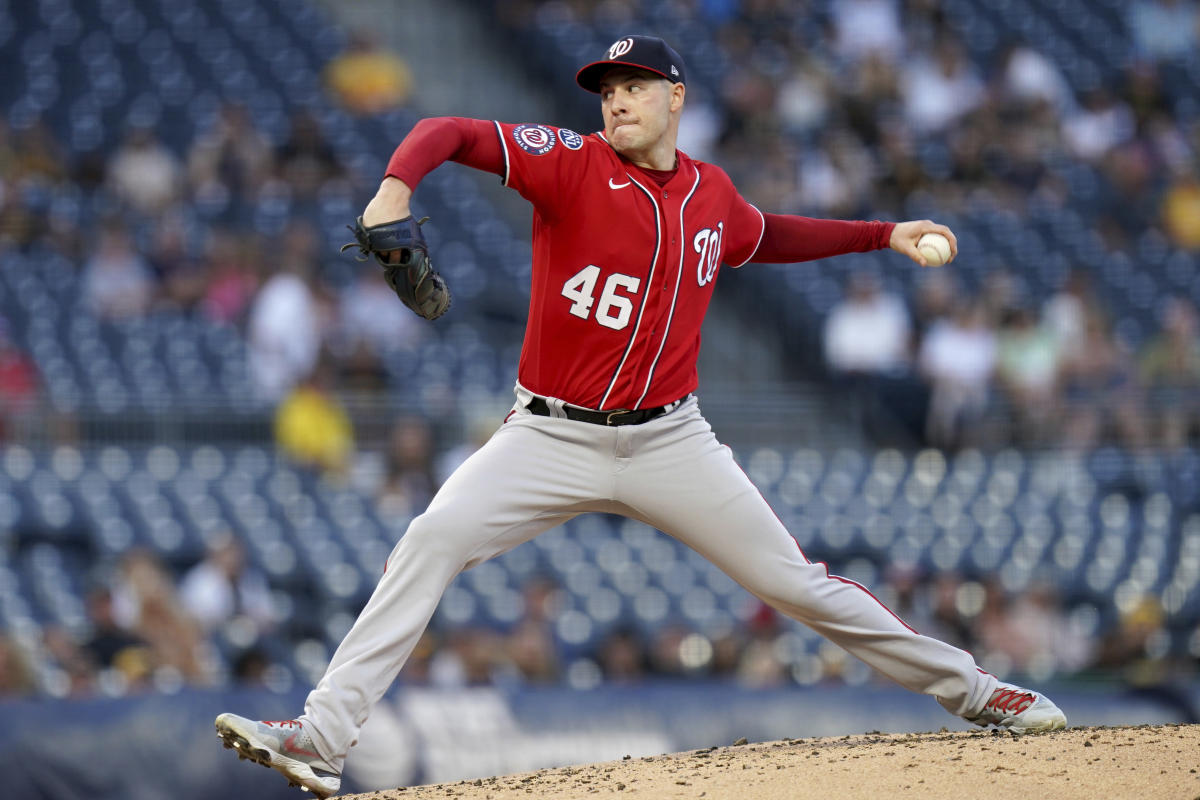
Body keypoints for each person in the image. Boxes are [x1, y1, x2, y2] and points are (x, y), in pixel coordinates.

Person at [216, 36, 1066, 798]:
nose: (615, 100)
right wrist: (393, 189)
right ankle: (322, 736)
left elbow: (771, 234)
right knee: (430, 542)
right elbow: (449, 129)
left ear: (676, 98)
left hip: (671, 439)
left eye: (633, 84)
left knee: (792, 583)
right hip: (549, 434)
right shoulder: (572, 165)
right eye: (606, 88)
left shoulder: (711, 193)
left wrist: (883, 234)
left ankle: (981, 692)